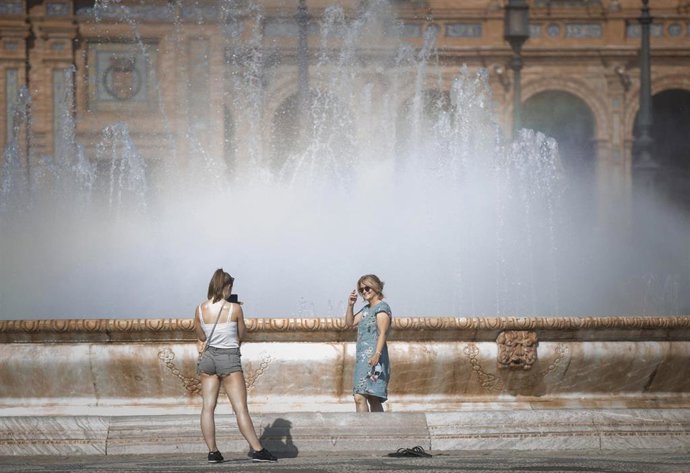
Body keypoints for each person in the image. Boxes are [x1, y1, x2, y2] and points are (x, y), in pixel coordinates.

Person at [194, 268, 277, 463]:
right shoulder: (235, 309)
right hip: (228, 357)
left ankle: (213, 452)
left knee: (207, 407)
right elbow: (242, 334)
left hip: (208, 358)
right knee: (240, 408)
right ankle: (258, 450)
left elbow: (201, 336)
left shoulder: (199, 309)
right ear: (226, 287)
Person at [344, 274, 392, 412]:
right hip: (363, 359)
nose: (364, 292)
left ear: (376, 287)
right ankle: (363, 431)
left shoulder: (382, 308)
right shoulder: (366, 309)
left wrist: (377, 354)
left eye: (367, 288)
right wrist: (350, 305)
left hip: (375, 358)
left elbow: (382, 332)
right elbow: (350, 322)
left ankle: (376, 431)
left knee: (372, 397)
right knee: (359, 396)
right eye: (361, 290)